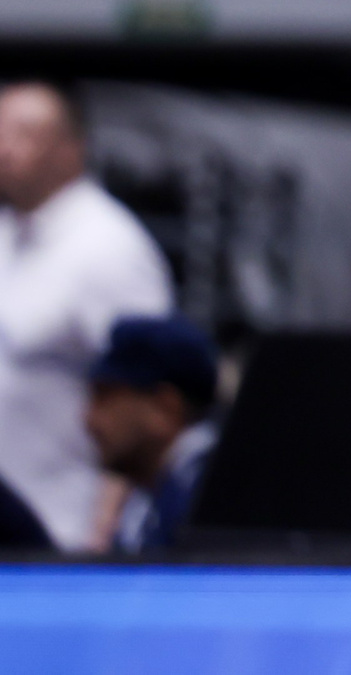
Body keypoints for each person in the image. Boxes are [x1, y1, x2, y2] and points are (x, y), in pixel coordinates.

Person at [0, 81, 174, 550]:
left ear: (70, 149)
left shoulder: (109, 246)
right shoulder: (7, 233)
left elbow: (149, 398)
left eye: (23, 133)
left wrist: (104, 530)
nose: (4, 148)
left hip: (64, 534)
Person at [84, 316, 221, 553]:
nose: (89, 419)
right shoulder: (149, 497)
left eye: (105, 397)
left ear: (165, 408)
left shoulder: (208, 494)